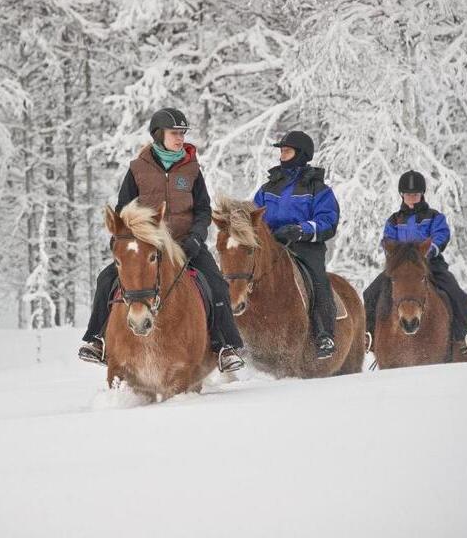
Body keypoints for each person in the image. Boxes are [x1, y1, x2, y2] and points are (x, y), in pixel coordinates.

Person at [78, 107, 245, 373]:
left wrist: (196, 238)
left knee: (215, 283)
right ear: (158, 135)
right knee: (105, 279)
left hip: (185, 244)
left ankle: (225, 346)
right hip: (148, 245)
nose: (180, 138)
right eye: (174, 133)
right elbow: (124, 210)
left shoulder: (192, 169)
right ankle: (95, 339)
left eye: (182, 133)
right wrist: (131, 237)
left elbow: (203, 209)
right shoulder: (137, 169)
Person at [363, 170, 467, 354]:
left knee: (454, 291)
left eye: (415, 194)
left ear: (422, 194)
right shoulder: (394, 220)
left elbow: (442, 234)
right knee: (370, 292)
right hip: (401, 269)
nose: (412, 198)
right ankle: (369, 335)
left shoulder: (434, 217)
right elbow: (388, 239)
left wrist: (429, 251)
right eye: (408, 194)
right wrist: (396, 254)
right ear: (402, 195)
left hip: (430, 264)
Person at [253, 130, 340, 358]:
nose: (282, 155)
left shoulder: (318, 189)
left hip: (304, 247)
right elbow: (254, 215)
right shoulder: (268, 188)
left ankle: (324, 335)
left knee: (318, 281)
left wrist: (302, 229)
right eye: (281, 151)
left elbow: (328, 221)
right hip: (271, 245)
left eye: (287, 151)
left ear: (301, 155)